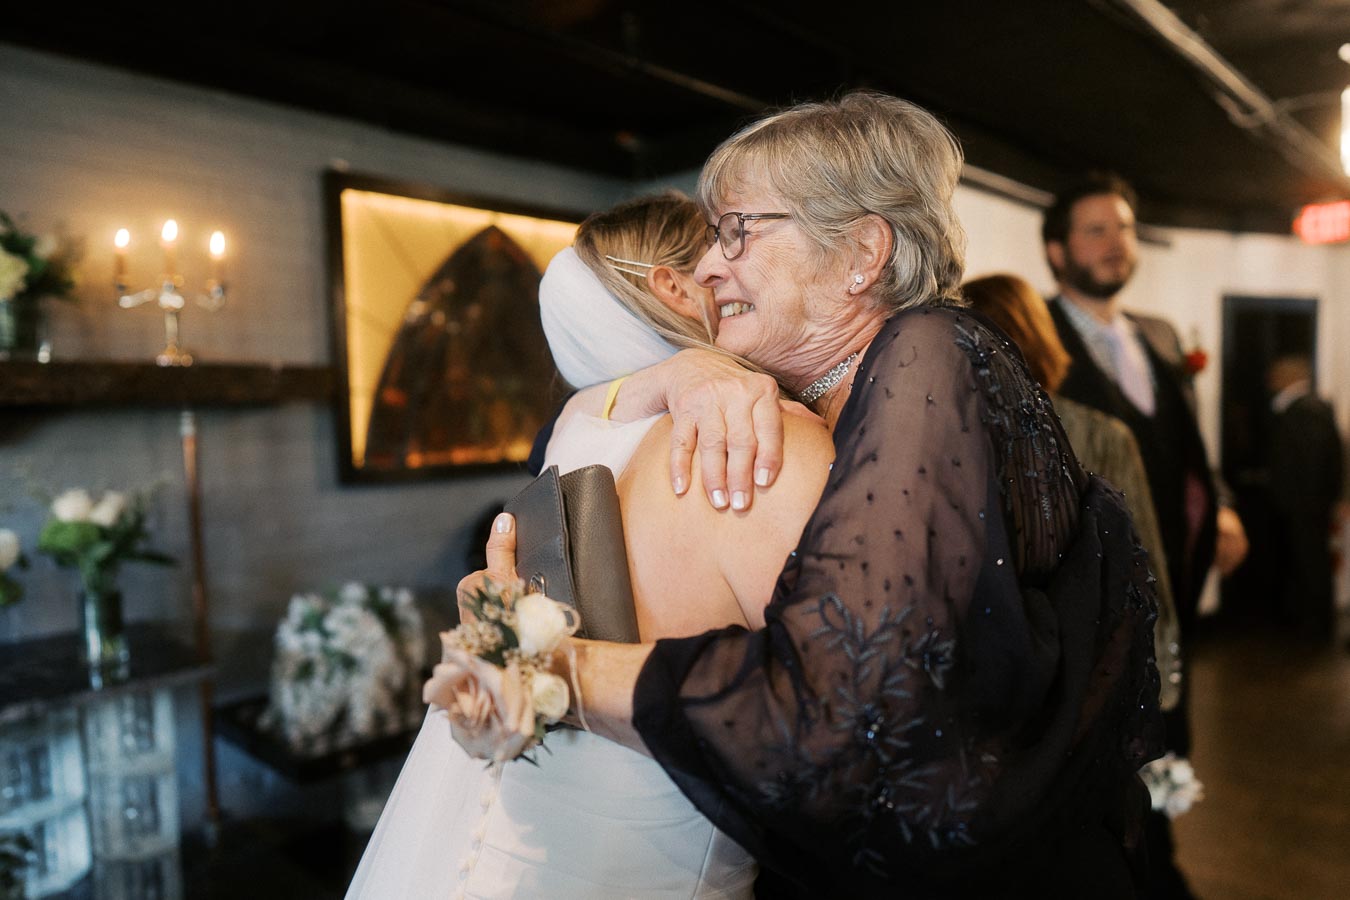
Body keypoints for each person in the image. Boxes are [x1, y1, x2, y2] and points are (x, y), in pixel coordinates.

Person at [461, 92, 1163, 898]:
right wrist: (670, 374)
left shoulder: (927, 353)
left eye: (737, 232)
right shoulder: (846, 392)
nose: (706, 267)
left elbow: (843, 717)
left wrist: (548, 668)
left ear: (862, 251)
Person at [346, 191, 834, 899]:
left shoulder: (574, 437)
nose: (735, 270)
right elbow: (835, 730)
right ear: (672, 284)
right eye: (727, 244)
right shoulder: (761, 444)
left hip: (486, 853)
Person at [1040, 174, 1245, 898]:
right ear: (1057, 250)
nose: (1114, 243)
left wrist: (1219, 504)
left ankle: (1158, 859)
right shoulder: (1039, 340)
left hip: (1167, 589)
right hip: (1094, 594)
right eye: (1095, 230)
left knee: (1162, 735)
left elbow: (1186, 447)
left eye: (1123, 228)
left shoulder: (1153, 335)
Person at [962, 272, 1181, 707]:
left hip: (988, 677)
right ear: (1041, 336)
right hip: (1087, 667)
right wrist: (1163, 682)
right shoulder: (1104, 435)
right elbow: (1145, 564)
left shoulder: (946, 435)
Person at [1266, 354, 1344, 639]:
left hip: (1306, 505)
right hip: (1307, 504)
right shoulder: (1308, 408)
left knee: (1310, 562)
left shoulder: (1306, 410)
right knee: (1309, 561)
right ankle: (1308, 619)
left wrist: (1304, 502)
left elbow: (1313, 463)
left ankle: (1315, 624)